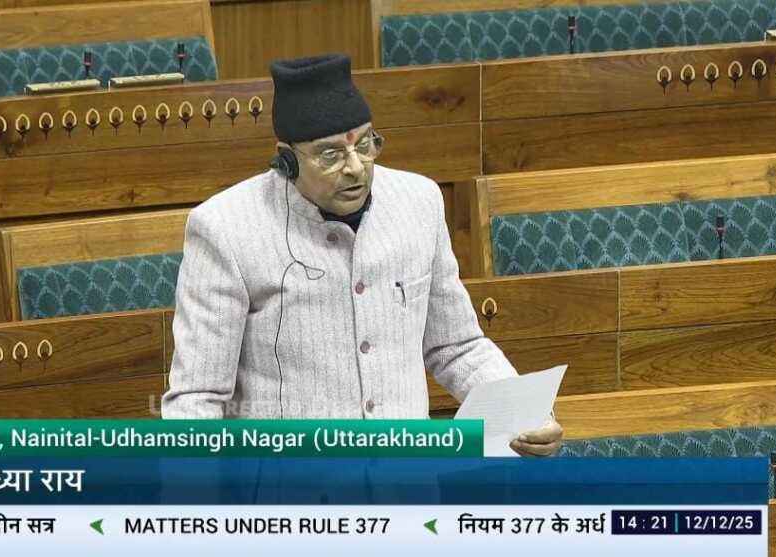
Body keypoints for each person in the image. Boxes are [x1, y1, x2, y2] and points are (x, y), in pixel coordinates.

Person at [161, 53, 561, 456]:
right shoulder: (225, 228)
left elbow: (456, 346)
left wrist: (523, 415)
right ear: (286, 160)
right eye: (330, 155)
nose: (355, 167)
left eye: (365, 144)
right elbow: (197, 397)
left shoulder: (419, 202)